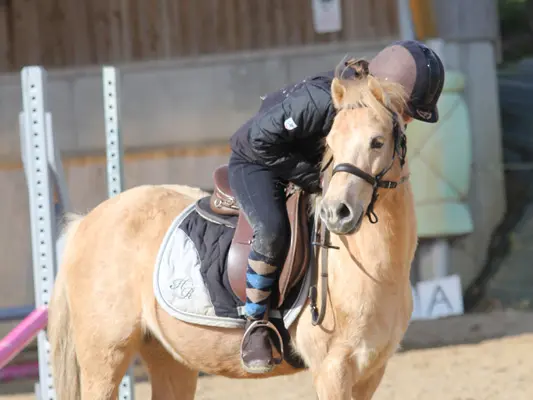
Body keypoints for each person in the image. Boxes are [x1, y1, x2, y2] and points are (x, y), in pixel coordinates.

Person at [228, 40, 445, 374]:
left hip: (314, 165)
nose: (406, 121)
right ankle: (256, 321)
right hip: (256, 158)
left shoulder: (369, 116)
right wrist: (318, 179)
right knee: (272, 229)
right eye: (405, 112)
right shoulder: (319, 103)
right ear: (381, 92)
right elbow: (251, 141)